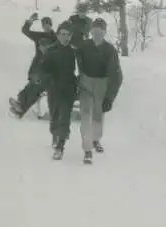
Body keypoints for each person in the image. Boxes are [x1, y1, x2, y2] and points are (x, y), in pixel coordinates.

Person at [76, 18, 123, 164]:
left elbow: (116, 76)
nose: (97, 34)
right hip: (86, 82)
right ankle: (87, 149)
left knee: (98, 114)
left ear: (104, 32)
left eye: (100, 31)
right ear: (91, 31)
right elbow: (78, 64)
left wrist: (109, 97)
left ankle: (96, 139)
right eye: (95, 31)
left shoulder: (110, 50)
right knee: (85, 116)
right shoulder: (83, 46)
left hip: (102, 84)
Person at [40, 22, 77, 160]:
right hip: (54, 89)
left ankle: (60, 146)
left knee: (65, 118)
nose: (65, 37)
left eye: (68, 35)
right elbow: (43, 70)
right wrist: (48, 80)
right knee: (54, 116)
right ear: (58, 35)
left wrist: (77, 83)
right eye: (63, 34)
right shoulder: (50, 51)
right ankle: (55, 135)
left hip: (68, 89)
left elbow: (79, 69)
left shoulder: (74, 52)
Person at [9, 13, 56, 119]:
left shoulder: (56, 38)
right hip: (37, 68)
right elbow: (25, 31)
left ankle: (21, 109)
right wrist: (30, 20)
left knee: (36, 88)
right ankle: (19, 104)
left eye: (48, 24)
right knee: (30, 86)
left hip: (48, 71)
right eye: (44, 24)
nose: (46, 26)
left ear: (51, 25)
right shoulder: (39, 36)